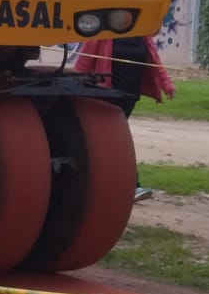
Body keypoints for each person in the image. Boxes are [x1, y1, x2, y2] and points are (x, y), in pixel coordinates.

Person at [70, 31, 175, 200]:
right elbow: (85, 59)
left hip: (130, 95)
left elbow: (154, 59)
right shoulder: (104, 30)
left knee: (110, 139)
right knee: (115, 138)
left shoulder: (142, 32)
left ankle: (110, 185)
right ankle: (129, 186)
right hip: (107, 94)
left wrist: (166, 84)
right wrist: (73, 84)